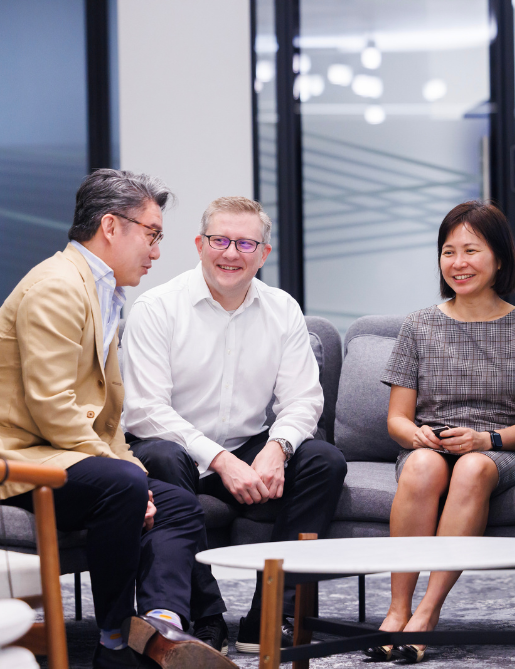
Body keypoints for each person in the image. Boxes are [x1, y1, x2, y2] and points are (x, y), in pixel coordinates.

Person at [0, 170, 233, 669]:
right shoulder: (57, 286)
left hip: (54, 455)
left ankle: (161, 627)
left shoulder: (104, 291)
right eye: (152, 234)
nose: (156, 251)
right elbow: (53, 406)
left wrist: (134, 470)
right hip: (0, 461)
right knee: (125, 484)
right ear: (111, 226)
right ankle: (114, 642)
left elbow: (105, 418)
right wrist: (128, 475)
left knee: (178, 504)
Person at [120, 195, 348, 654]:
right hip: (175, 447)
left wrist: (277, 449)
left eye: (246, 244)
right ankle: (204, 617)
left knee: (323, 460)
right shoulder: (156, 307)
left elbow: (304, 399)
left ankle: (272, 616)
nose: (231, 253)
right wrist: (221, 460)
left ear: (264, 254)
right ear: (199, 245)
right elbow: (146, 410)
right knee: (162, 455)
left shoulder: (282, 309)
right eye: (220, 240)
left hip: (248, 445)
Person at [372, 201, 515, 664]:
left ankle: (428, 612)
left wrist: (485, 440)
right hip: (433, 445)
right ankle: (397, 609)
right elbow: (397, 418)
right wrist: (415, 436)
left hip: (501, 449)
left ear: (499, 258)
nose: (458, 263)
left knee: (473, 467)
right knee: (421, 466)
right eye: (448, 251)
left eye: (471, 251)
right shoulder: (418, 324)